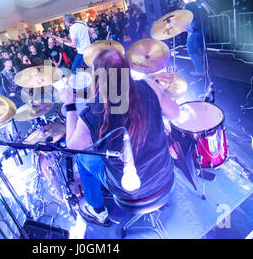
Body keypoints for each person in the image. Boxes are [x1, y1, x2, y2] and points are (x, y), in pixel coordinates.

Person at [58, 48, 179, 225]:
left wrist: (70, 105)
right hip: (164, 174)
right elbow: (175, 114)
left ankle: (97, 210)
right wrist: (159, 94)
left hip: (127, 190)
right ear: (127, 68)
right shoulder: (149, 87)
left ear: (97, 77)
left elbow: (72, 147)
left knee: (83, 159)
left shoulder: (93, 113)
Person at [179, 0, 208, 77]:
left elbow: (185, 20)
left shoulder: (187, 6)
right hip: (204, 28)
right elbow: (207, 12)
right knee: (201, 48)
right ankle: (206, 66)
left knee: (191, 51)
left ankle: (200, 71)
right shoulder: (199, 3)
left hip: (194, 31)